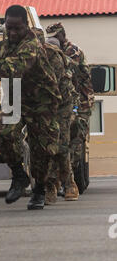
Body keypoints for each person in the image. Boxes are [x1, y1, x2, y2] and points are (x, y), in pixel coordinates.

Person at [0, 5, 61, 210]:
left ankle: (39, 190)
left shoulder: (31, 44)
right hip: (16, 98)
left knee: (40, 150)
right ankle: (18, 175)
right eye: (10, 28)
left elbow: (7, 70)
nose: (13, 32)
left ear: (26, 25)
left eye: (17, 28)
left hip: (41, 101)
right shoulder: (7, 41)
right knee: (3, 133)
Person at [45, 23, 94, 189]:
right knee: (61, 139)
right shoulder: (53, 51)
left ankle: (67, 178)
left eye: (54, 37)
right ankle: (62, 179)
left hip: (82, 102)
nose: (52, 40)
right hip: (65, 101)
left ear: (62, 36)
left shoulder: (73, 51)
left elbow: (67, 70)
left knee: (76, 140)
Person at [37, 34, 80, 203]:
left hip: (61, 105)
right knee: (45, 148)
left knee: (61, 146)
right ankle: (50, 186)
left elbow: (57, 91)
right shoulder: (31, 58)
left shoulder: (56, 60)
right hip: (44, 106)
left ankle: (69, 184)